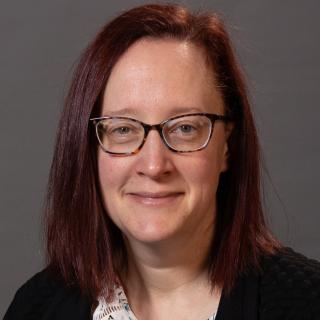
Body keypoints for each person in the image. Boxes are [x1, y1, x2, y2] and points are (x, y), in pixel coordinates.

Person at [4, 3, 320, 320]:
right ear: (88, 148)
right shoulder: (35, 308)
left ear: (227, 146)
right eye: (123, 129)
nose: (154, 165)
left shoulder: (308, 302)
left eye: (185, 128)